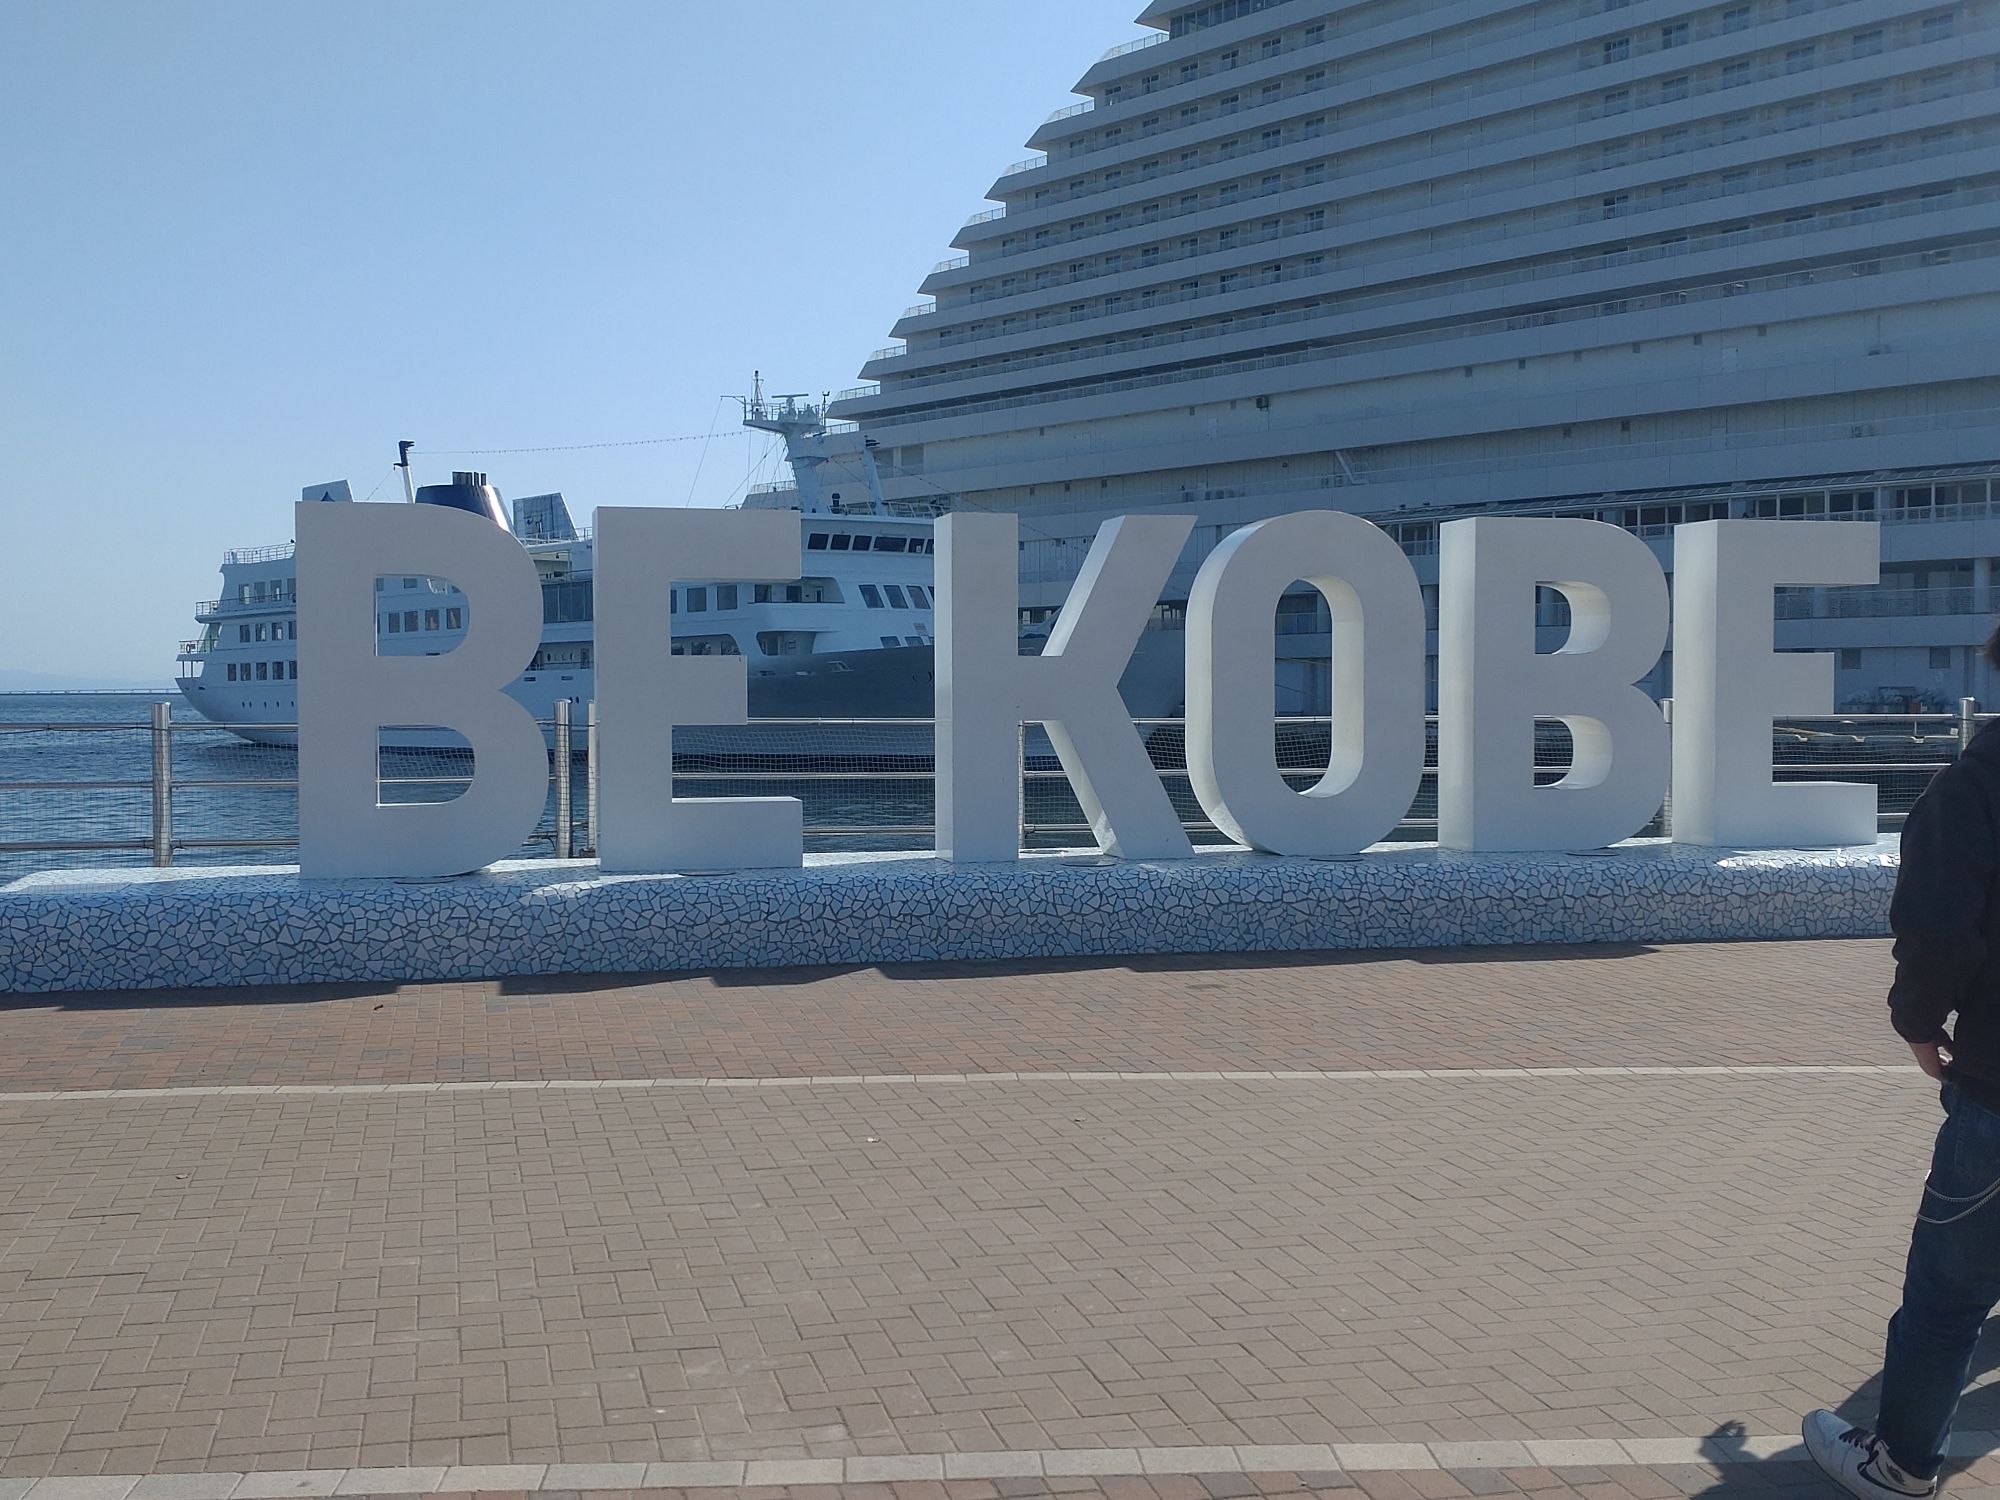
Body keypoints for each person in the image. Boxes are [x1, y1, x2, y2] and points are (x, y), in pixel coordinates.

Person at [1804, 674, 2000, 1498]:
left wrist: (1918, 1024)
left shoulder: (1975, 788)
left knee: (1949, 1296)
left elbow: (1937, 928)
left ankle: (1902, 1466)